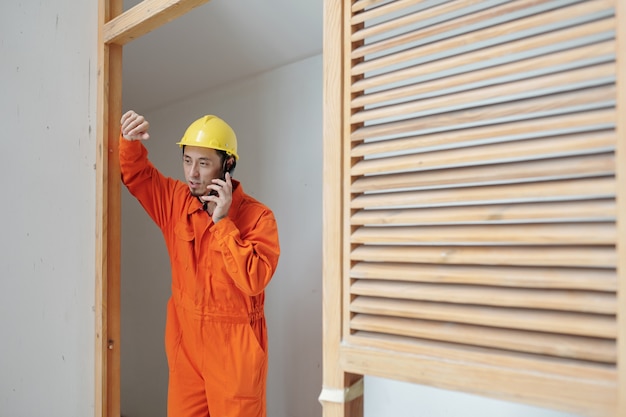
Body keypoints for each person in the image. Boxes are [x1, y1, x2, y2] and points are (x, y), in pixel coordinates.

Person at [119, 110, 280, 417]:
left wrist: (222, 223)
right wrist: (129, 140)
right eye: (187, 160)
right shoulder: (176, 202)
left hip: (235, 351)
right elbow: (138, 175)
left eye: (204, 163)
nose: (192, 173)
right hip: (187, 344)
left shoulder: (259, 217)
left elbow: (254, 279)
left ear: (228, 164)